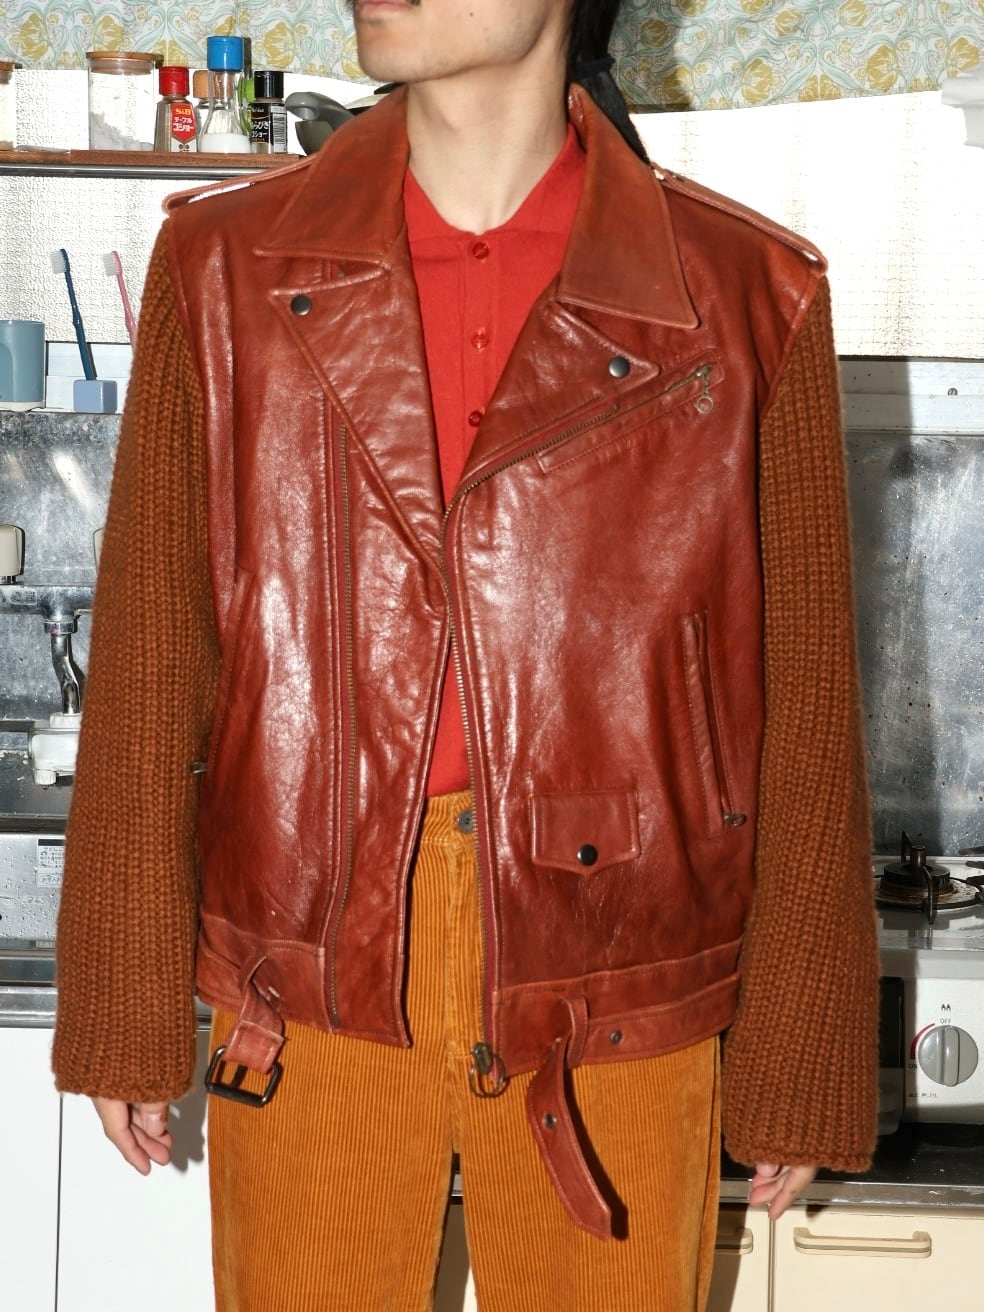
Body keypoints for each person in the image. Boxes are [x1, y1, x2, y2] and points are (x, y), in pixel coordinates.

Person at [53, 0, 879, 1307]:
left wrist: (801, 1045)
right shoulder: (226, 267)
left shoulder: (741, 294)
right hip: (311, 967)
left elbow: (806, 707)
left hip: (617, 979)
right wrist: (120, 992)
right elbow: (156, 658)